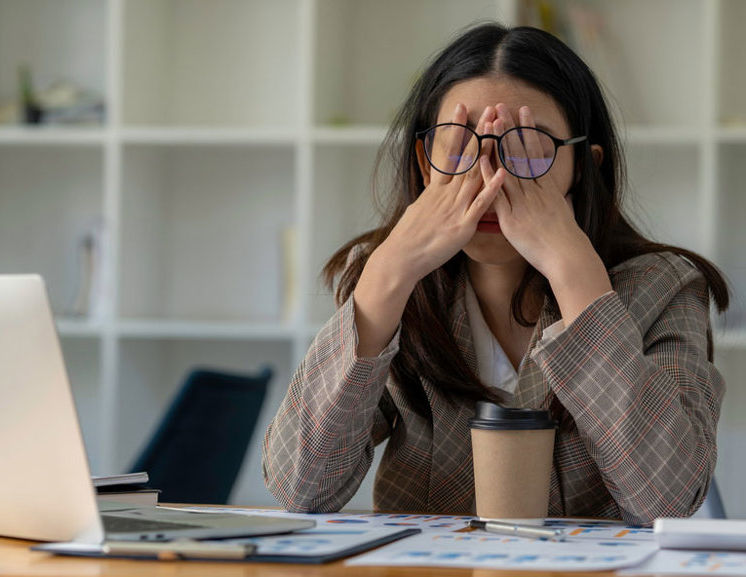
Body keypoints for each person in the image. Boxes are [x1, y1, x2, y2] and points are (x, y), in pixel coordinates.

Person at [261, 23, 728, 526]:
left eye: (526, 146)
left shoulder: (665, 286)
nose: (490, 176)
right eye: (460, 144)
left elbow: (667, 501)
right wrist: (387, 275)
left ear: (584, 168)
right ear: (424, 163)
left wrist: (577, 277)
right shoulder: (390, 283)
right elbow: (299, 489)